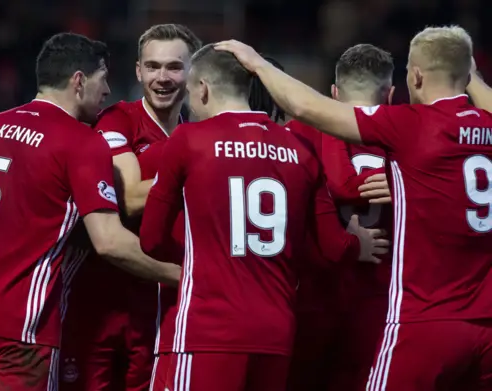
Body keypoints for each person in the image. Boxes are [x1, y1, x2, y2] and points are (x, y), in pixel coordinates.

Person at [216, 25, 492, 390]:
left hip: (419, 316)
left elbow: (303, 106)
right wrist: (465, 70)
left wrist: (259, 64)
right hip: (484, 319)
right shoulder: (486, 125)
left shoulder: (411, 125)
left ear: (416, 76)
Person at [0, 32, 180, 391]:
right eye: (102, 78)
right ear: (78, 81)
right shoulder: (79, 140)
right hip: (18, 321)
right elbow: (109, 241)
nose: (107, 91)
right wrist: (185, 277)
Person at [140, 44, 386, 391]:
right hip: (277, 333)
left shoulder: (189, 139)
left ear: (204, 88)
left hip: (209, 329)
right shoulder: (299, 149)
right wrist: (354, 243)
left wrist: (202, 257)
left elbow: (151, 240)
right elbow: (333, 247)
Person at [59, 24, 201, 391]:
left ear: (194, 73)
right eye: (152, 67)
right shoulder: (117, 119)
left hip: (161, 314)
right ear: (138, 71)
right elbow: (131, 198)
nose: (162, 77)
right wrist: (204, 174)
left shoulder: (198, 136)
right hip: (97, 310)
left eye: (174, 67)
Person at [288, 44, 394, 391]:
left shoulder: (298, 134)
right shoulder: (410, 136)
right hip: (383, 304)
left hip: (314, 296)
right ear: (390, 94)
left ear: (333, 92)